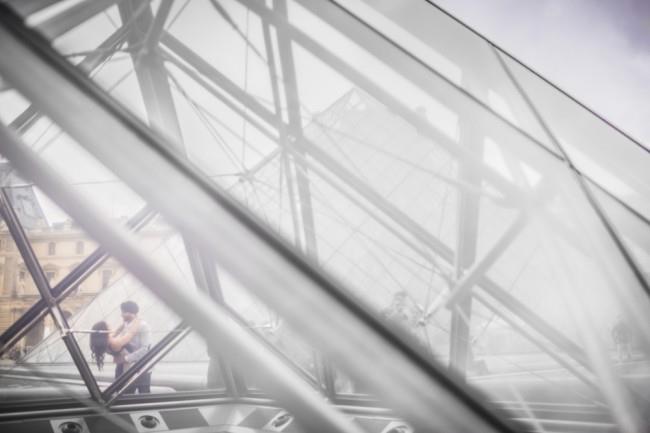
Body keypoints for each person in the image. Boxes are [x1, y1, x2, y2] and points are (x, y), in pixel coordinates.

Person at [114, 301, 152, 394]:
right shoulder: (125, 324)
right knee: (122, 392)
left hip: (141, 366)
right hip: (125, 366)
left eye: (123, 312)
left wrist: (125, 359)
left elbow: (145, 349)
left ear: (130, 313)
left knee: (143, 395)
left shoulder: (143, 326)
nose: (121, 315)